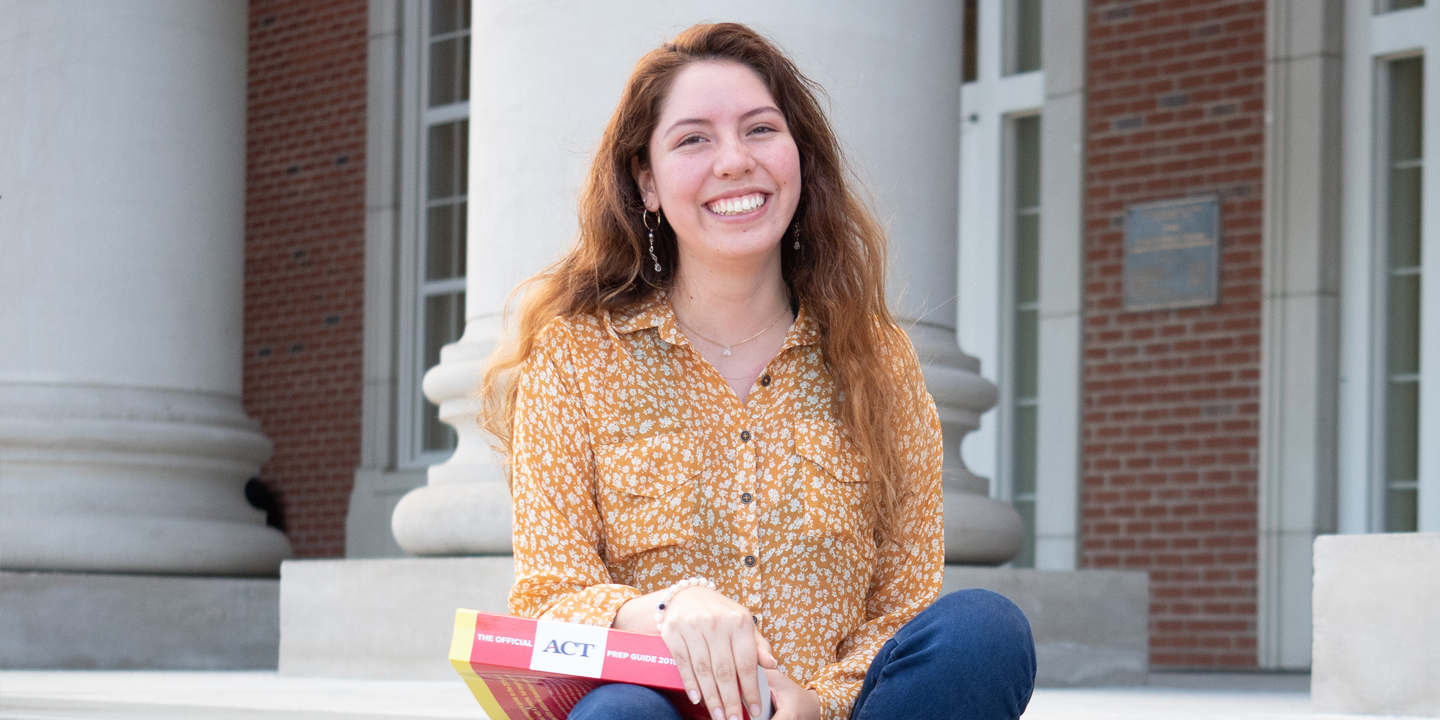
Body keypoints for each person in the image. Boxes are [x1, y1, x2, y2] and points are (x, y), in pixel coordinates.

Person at [480, 22, 1036, 720]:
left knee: (983, 631)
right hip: (663, 713)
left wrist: (813, 705)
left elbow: (904, 601)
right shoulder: (576, 358)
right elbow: (548, 599)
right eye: (693, 139)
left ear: (798, 157)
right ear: (647, 182)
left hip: (833, 716)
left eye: (760, 130)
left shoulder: (878, 361)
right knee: (619, 716)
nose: (735, 161)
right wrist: (664, 605)